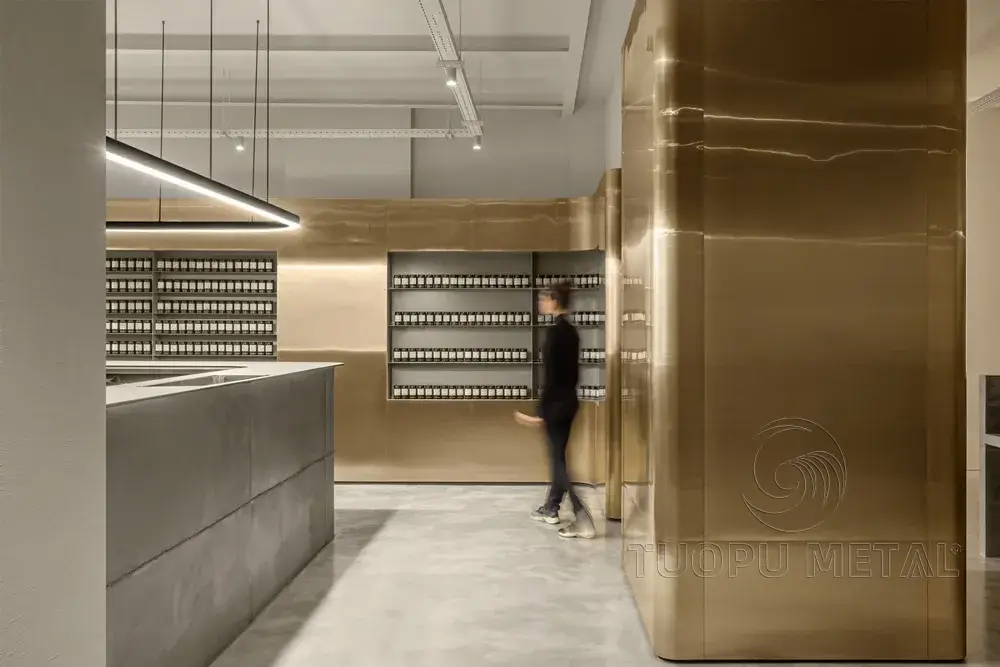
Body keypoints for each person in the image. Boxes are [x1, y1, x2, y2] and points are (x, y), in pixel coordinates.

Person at [515, 281, 596, 539]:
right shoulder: (571, 332)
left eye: (543, 299)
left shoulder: (554, 334)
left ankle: (582, 517)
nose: (540, 303)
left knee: (559, 462)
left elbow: (551, 378)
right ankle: (551, 507)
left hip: (556, 405)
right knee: (558, 455)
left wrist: (541, 411)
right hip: (569, 402)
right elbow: (571, 375)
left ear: (554, 301)